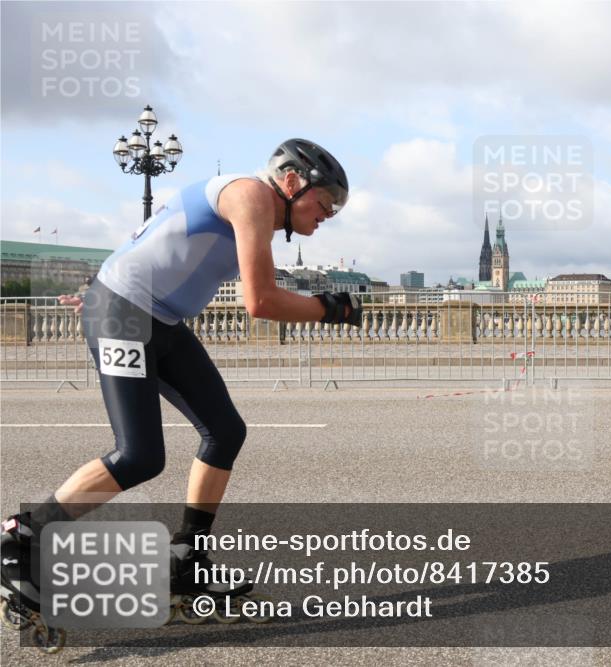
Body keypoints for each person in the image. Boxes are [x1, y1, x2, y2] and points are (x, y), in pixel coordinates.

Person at [1, 139, 362, 637]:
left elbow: (157, 245)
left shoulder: (256, 207)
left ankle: (185, 558)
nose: (328, 216)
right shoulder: (253, 196)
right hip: (125, 314)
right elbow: (259, 302)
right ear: (293, 182)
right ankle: (23, 536)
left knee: (225, 431)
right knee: (140, 456)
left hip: (158, 318)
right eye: (326, 204)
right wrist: (331, 308)